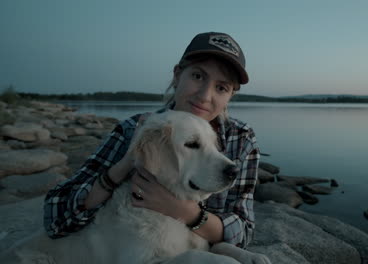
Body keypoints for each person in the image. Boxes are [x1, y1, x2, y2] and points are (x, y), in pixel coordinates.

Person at [43, 32, 260, 253]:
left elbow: (243, 231)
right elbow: (55, 217)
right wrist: (126, 163)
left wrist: (187, 213)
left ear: (230, 96)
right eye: (197, 76)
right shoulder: (133, 129)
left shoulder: (240, 139)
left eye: (221, 88)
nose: (205, 96)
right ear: (177, 75)